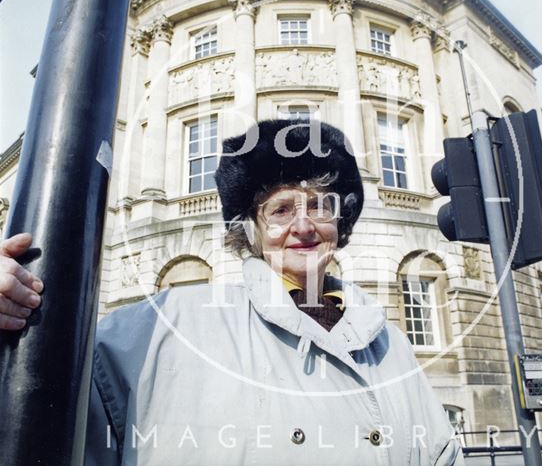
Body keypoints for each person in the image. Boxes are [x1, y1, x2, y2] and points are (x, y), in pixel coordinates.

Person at [0, 119, 463, 465]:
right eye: (280, 209)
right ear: (252, 230)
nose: (303, 226)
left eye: (321, 206)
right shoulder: (164, 326)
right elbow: (31, 411)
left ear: (339, 224)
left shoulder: (391, 346)